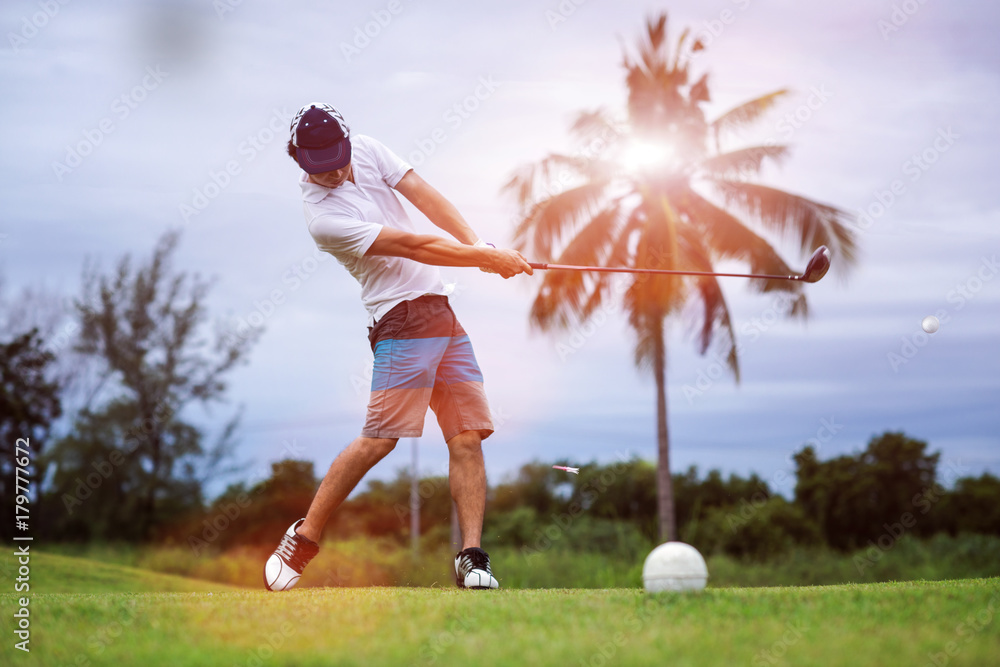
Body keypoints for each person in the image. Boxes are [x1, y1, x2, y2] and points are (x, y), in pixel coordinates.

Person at [263, 103, 532, 592]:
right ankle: (303, 538)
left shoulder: (366, 149)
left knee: (468, 437)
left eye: (338, 160)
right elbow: (412, 245)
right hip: (400, 319)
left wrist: (480, 245)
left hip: (442, 313)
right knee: (380, 440)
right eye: (319, 168)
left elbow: (425, 196)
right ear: (300, 161)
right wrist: (482, 260)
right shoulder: (323, 218)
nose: (334, 172)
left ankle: (472, 558)